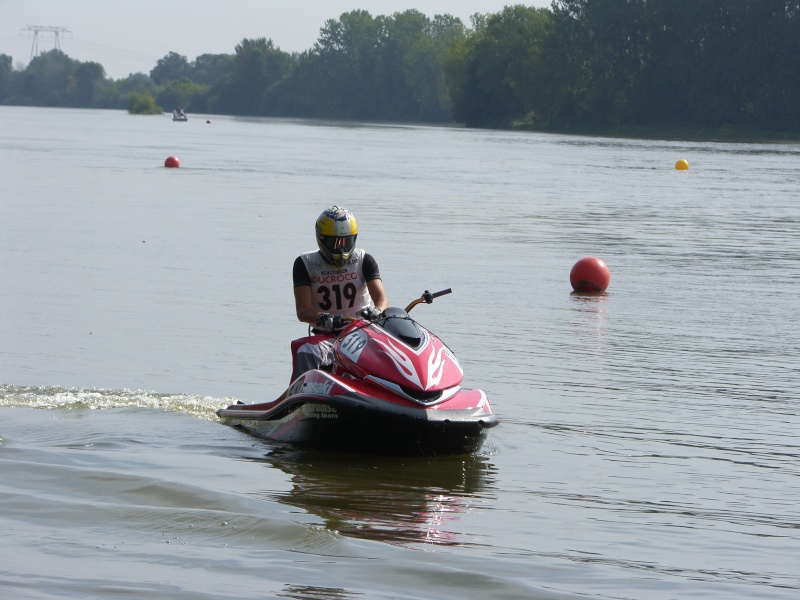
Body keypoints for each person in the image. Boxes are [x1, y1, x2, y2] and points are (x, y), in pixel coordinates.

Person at [290, 205, 388, 379]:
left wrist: (377, 310)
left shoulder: (364, 260)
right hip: (328, 338)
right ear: (321, 239)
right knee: (306, 350)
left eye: (346, 242)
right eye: (335, 243)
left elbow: (381, 299)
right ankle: (301, 398)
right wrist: (324, 318)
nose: (341, 249)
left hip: (362, 336)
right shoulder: (304, 264)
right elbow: (303, 312)